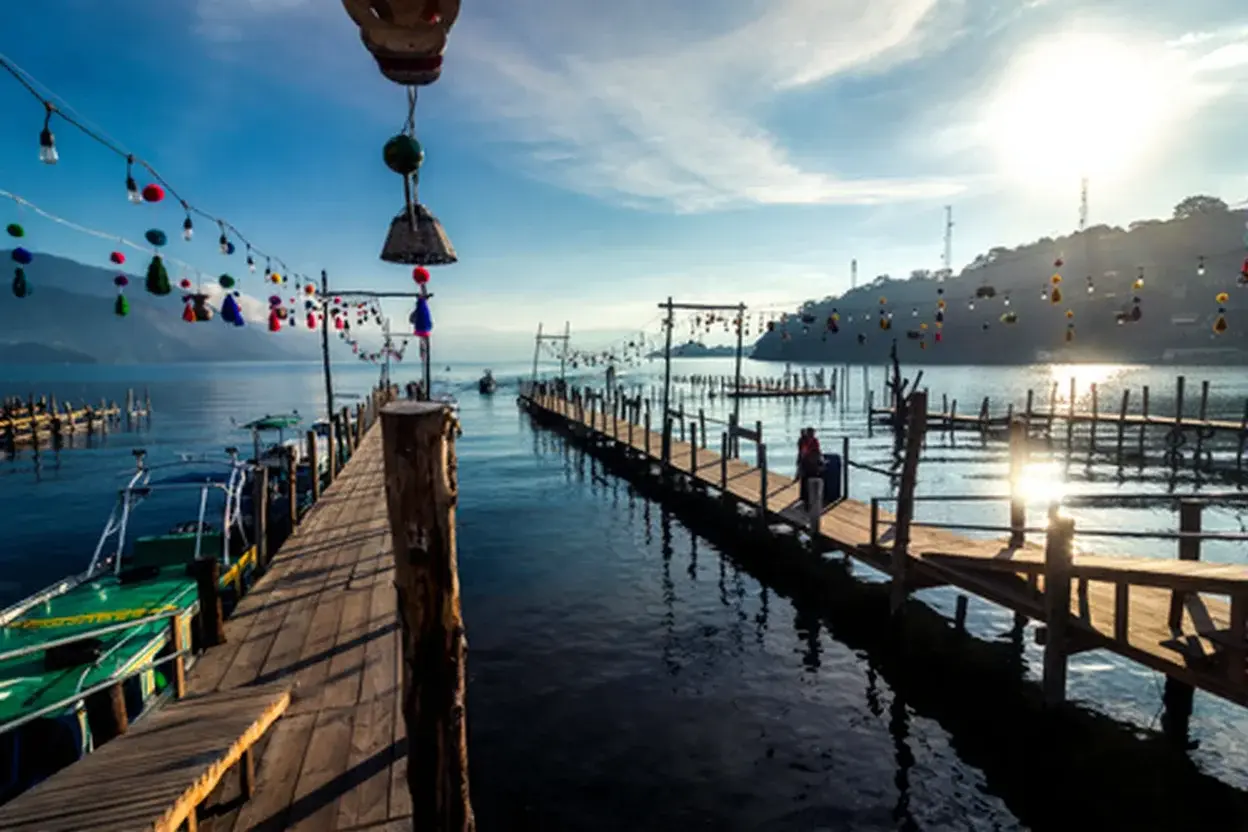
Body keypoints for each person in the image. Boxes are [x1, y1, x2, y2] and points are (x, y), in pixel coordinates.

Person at [798, 426, 824, 510]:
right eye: (811, 433)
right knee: (806, 483)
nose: (812, 435)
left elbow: (817, 451)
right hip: (807, 464)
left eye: (813, 433)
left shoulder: (814, 441)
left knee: (809, 482)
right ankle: (806, 501)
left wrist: (820, 460)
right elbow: (803, 453)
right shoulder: (803, 441)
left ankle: (808, 501)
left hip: (812, 464)